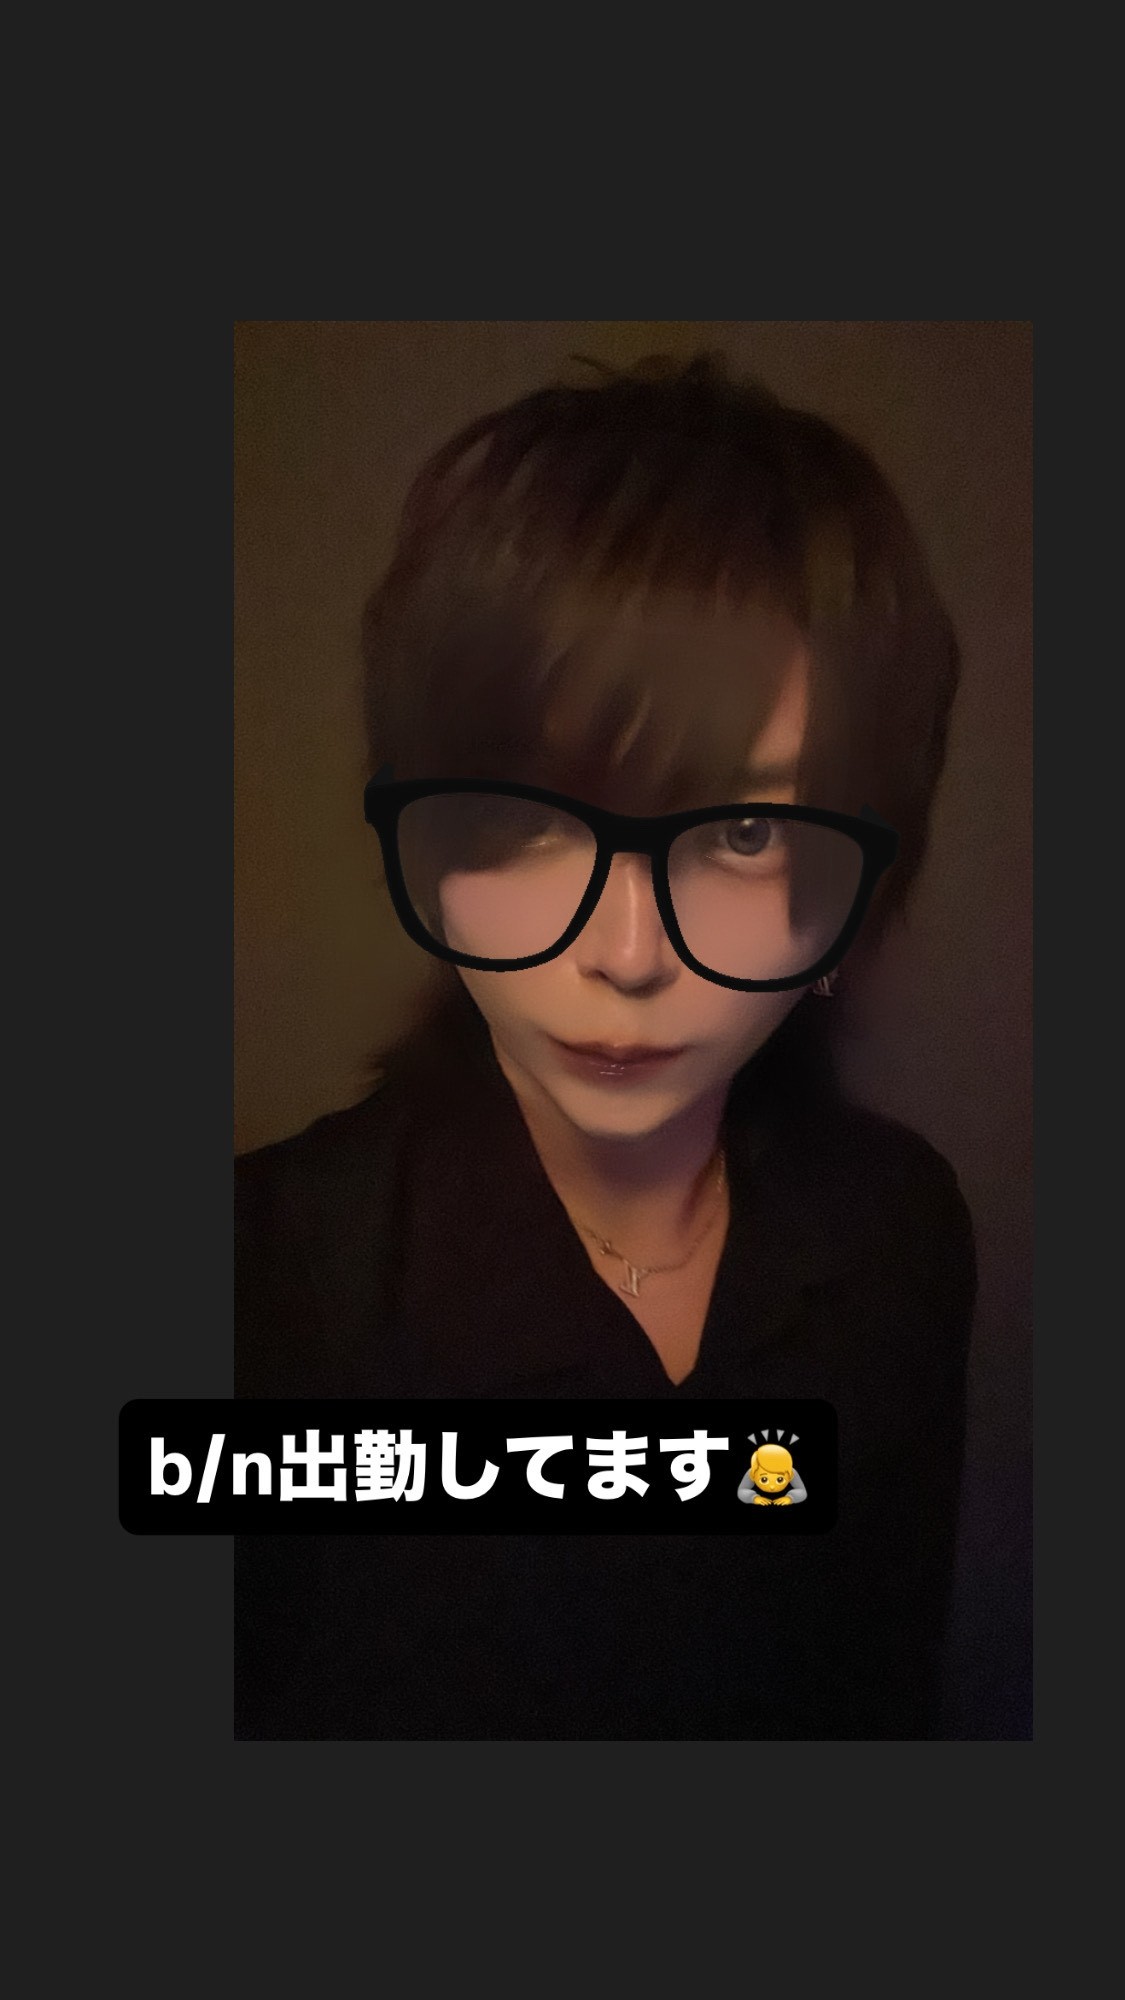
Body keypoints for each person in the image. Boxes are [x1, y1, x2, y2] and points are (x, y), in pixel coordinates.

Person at [234, 352, 977, 1739]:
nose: (627, 954)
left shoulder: (899, 1235)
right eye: (530, 817)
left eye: (743, 832)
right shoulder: (265, 1284)